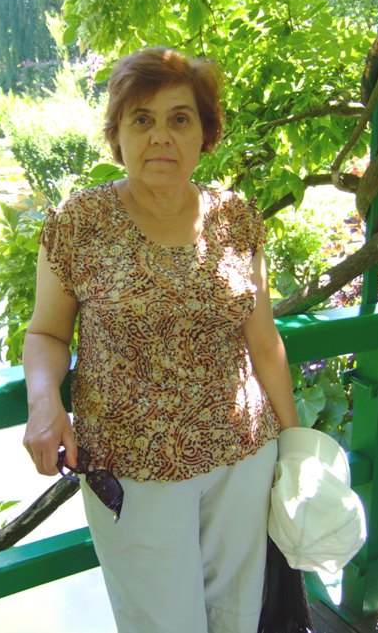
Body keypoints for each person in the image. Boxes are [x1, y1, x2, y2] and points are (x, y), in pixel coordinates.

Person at [23, 46, 299, 633]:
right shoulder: (78, 223)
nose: (160, 137)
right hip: (132, 467)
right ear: (117, 135)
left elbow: (264, 340)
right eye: (141, 119)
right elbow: (46, 332)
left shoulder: (237, 219)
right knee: (162, 623)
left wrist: (295, 446)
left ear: (205, 133)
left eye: (179, 118)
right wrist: (44, 402)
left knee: (236, 615)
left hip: (243, 456)